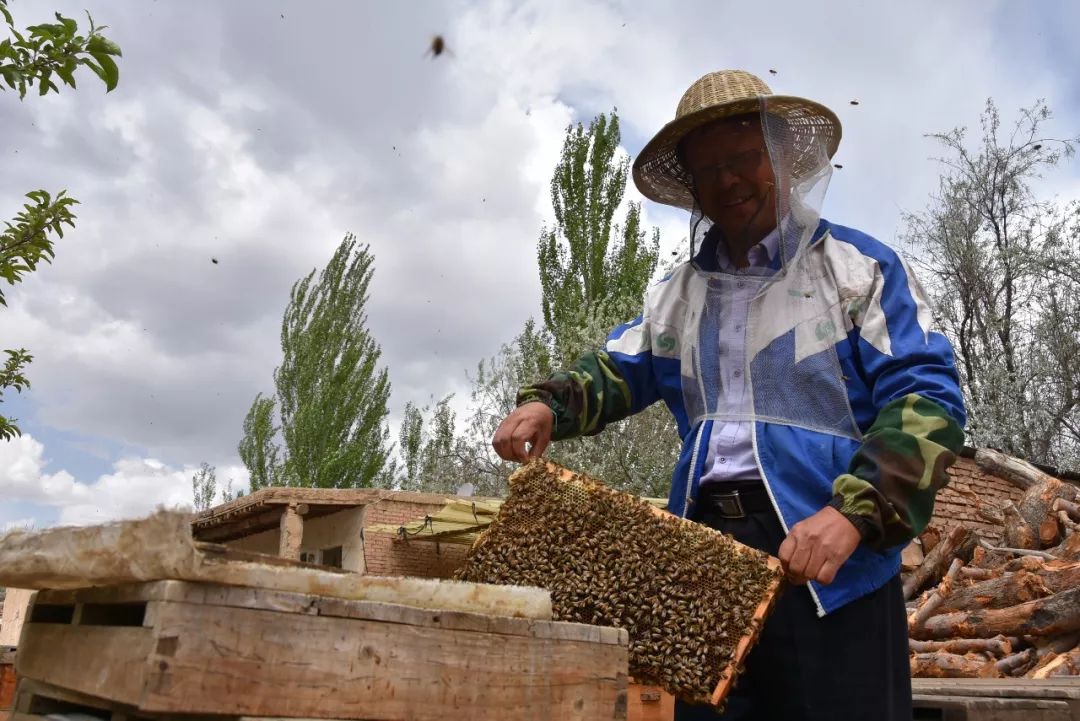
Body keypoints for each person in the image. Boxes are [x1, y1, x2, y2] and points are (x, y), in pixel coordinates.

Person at [492, 69, 965, 720]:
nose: (729, 180)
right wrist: (549, 402)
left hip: (831, 562)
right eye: (708, 169)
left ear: (784, 159)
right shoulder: (678, 294)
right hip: (707, 569)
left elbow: (927, 397)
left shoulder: (860, 269)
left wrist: (857, 514)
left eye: (744, 158)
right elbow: (619, 366)